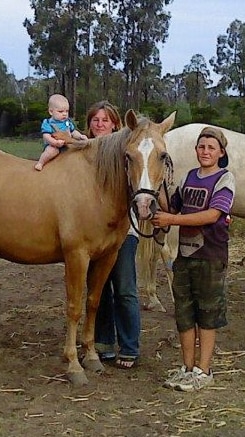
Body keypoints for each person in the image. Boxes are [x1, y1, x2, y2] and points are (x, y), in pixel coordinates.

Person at [152, 126, 235, 391]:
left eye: (211, 147)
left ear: (221, 152)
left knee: (207, 314)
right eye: (201, 147)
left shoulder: (225, 179)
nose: (205, 151)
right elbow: (173, 206)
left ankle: (204, 369)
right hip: (185, 256)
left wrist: (171, 220)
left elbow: (212, 215)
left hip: (210, 255)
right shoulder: (189, 178)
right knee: (185, 313)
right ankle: (187, 367)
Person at [86, 101, 141, 369]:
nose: (99, 124)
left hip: (122, 232)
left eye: (105, 120)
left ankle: (130, 345)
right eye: (95, 119)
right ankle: (103, 342)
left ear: (115, 124)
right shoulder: (85, 152)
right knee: (99, 291)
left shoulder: (125, 152)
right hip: (90, 233)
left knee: (125, 288)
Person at [34, 93, 87, 171]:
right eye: (60, 111)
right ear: (51, 112)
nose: (64, 114)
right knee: (51, 151)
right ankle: (41, 163)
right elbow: (46, 136)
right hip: (54, 146)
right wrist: (55, 142)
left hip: (68, 145)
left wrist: (80, 136)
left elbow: (73, 132)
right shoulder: (48, 123)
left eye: (67, 111)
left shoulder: (67, 122)